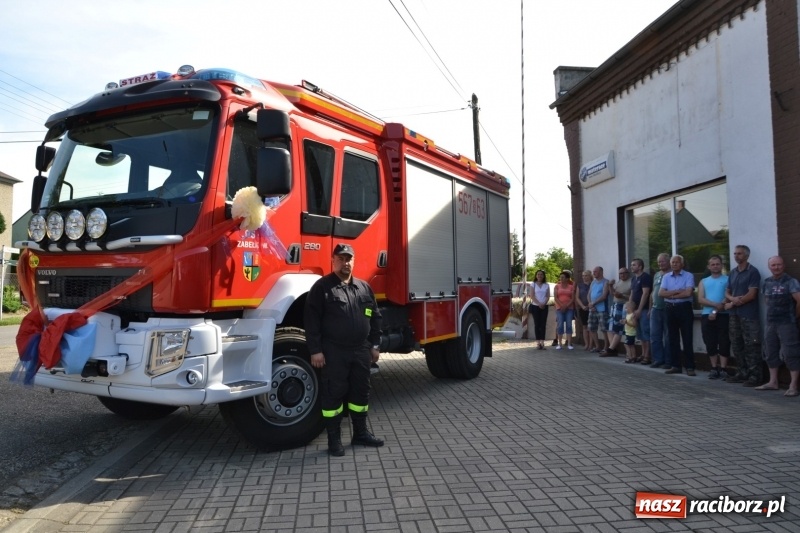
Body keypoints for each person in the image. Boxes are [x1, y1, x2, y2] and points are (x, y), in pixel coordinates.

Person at [304, 243, 384, 456]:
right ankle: (334, 440)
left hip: (361, 350)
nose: (345, 263)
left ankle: (360, 434)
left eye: (348, 259)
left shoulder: (364, 287)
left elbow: (375, 317)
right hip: (334, 352)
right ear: (333, 260)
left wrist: (375, 345)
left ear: (353, 261)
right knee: (333, 395)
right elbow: (312, 321)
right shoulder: (322, 287)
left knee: (361, 392)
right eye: (340, 258)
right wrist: (315, 350)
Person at [755, 256, 800, 396]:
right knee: (770, 352)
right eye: (773, 265)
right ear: (769, 267)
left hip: (787, 323)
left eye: (779, 264)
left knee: (790, 353)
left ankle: (793, 386)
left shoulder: (791, 281)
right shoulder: (767, 282)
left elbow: (799, 301)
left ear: (783, 265)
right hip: (771, 323)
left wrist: (795, 317)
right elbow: (767, 301)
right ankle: (773, 382)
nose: (776, 267)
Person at [724, 245, 762, 387]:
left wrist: (734, 303)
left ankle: (755, 376)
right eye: (735, 253)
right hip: (734, 315)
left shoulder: (753, 272)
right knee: (736, 344)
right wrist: (732, 299)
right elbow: (727, 292)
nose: (736, 256)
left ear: (746, 255)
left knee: (751, 345)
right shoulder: (733, 272)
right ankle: (742, 372)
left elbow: (752, 294)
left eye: (739, 253)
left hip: (749, 315)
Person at [660, 255, 696, 376]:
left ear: (682, 264)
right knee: (672, 338)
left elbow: (688, 293)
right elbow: (661, 293)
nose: (674, 264)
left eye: (677, 262)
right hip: (670, 309)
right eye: (672, 262)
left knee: (687, 338)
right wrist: (677, 292)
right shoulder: (666, 276)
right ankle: (676, 366)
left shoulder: (688, 276)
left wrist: (670, 295)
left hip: (684, 308)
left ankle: (690, 367)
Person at [697, 255, 730, 379]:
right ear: (709, 267)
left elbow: (728, 297)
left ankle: (724, 368)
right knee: (710, 342)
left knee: (724, 341)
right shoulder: (704, 281)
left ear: (721, 265)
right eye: (713, 264)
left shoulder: (728, 279)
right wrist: (715, 305)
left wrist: (716, 310)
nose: (715, 266)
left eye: (717, 264)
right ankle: (714, 368)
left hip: (724, 315)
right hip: (707, 315)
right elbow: (701, 299)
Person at [600, 267, 631, 357]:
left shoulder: (631, 282)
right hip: (615, 306)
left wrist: (622, 296)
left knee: (618, 329)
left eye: (624, 273)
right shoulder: (619, 282)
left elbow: (633, 297)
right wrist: (610, 286)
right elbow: (613, 294)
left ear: (628, 273)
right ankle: (613, 349)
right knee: (609, 328)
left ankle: (610, 349)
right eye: (620, 273)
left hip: (624, 306)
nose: (622, 275)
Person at [649, 253, 671, 368]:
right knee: (654, 335)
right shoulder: (657, 274)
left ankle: (668, 361)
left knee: (668, 336)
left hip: (668, 308)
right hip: (655, 309)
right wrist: (650, 308)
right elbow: (653, 292)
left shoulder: (672, 274)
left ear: (668, 262)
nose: (660, 264)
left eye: (662, 261)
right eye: (659, 262)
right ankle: (658, 359)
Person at [629, 258, 652, 364]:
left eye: (634, 265)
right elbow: (632, 294)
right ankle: (643, 354)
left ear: (640, 266)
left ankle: (647, 356)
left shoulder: (645, 277)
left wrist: (639, 309)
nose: (632, 267)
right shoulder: (634, 279)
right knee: (640, 333)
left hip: (643, 309)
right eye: (631, 265)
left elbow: (645, 294)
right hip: (635, 310)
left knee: (645, 332)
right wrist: (630, 308)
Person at [587, 266, 610, 354]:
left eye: (595, 271)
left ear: (601, 272)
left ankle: (606, 347)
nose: (594, 273)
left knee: (604, 328)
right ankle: (597, 346)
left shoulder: (605, 282)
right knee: (592, 328)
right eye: (593, 271)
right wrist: (590, 304)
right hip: (592, 309)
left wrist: (593, 303)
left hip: (602, 309)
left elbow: (604, 296)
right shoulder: (593, 282)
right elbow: (589, 294)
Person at [529, 270, 551, 350]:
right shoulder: (533, 284)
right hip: (535, 306)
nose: (539, 276)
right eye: (538, 274)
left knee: (543, 324)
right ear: (536, 276)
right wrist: (539, 304)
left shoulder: (546, 285)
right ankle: (538, 342)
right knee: (537, 324)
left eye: (541, 274)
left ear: (543, 276)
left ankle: (542, 342)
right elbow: (532, 296)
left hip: (544, 306)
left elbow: (548, 296)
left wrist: (544, 303)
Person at [554, 270, 575, 350]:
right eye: (560, 277)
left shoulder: (571, 287)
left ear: (567, 279)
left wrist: (566, 306)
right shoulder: (557, 286)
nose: (561, 279)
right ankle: (559, 344)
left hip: (569, 308)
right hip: (559, 308)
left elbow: (572, 298)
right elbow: (556, 297)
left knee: (569, 325)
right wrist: (562, 305)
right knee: (560, 325)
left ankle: (569, 343)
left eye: (563, 277)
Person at [575, 270, 594, 351]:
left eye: (586, 275)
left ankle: (591, 344)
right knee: (585, 326)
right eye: (583, 276)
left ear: (590, 276)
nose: (584, 277)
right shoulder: (580, 285)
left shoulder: (593, 284)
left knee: (591, 327)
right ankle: (586, 344)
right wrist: (582, 306)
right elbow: (577, 297)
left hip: (592, 307)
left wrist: (591, 305)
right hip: (583, 308)